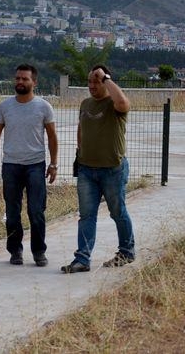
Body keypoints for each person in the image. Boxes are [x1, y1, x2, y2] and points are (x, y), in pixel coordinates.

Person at [61, 65, 135, 273]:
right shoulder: (85, 104)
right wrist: (80, 151)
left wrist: (106, 78)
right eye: (90, 81)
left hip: (113, 169)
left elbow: (123, 103)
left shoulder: (114, 104)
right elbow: (81, 127)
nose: (92, 85)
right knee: (86, 215)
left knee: (118, 212)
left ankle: (127, 252)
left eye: (97, 81)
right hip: (87, 170)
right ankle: (82, 259)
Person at [0, 64, 58, 267]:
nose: (20, 82)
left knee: (36, 211)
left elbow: (52, 137)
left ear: (34, 82)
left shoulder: (44, 107)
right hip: (10, 166)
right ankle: (15, 251)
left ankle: (38, 252)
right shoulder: (5, 106)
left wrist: (54, 164)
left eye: (25, 79)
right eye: (17, 78)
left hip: (35, 165)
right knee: (12, 211)